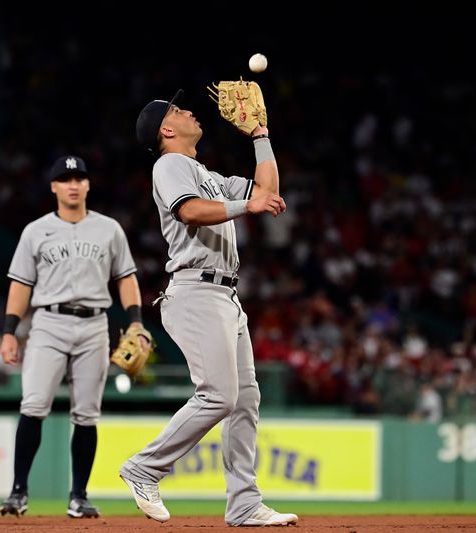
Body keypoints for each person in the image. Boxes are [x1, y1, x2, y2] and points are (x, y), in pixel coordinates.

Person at [119, 90, 298, 527]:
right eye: (178, 110)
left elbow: (268, 192)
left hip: (224, 296)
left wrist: (260, 134)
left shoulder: (204, 172)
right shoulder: (170, 164)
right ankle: (145, 467)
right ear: (166, 129)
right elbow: (192, 212)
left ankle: (244, 503)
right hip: (196, 291)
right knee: (219, 395)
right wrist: (246, 205)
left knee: (244, 400)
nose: (190, 111)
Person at [0, 155, 145, 519]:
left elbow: (126, 278)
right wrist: (8, 332)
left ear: (88, 185)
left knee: (87, 414)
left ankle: (79, 496)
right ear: (53, 187)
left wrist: (136, 322)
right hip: (48, 322)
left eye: (79, 177)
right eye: (65, 179)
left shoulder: (109, 229)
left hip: (94, 325)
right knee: (33, 405)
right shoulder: (35, 231)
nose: (73, 184)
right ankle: (18, 492)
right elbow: (21, 284)